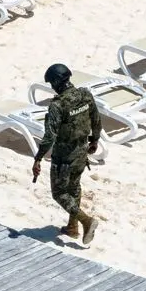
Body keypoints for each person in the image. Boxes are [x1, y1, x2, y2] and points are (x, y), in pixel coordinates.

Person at [31, 64, 101, 246]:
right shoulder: (85, 94)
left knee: (59, 193)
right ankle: (72, 227)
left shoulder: (57, 105)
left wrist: (38, 157)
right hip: (82, 151)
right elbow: (96, 119)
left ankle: (86, 221)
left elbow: (50, 136)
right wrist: (95, 140)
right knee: (74, 188)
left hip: (64, 157)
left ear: (55, 82)